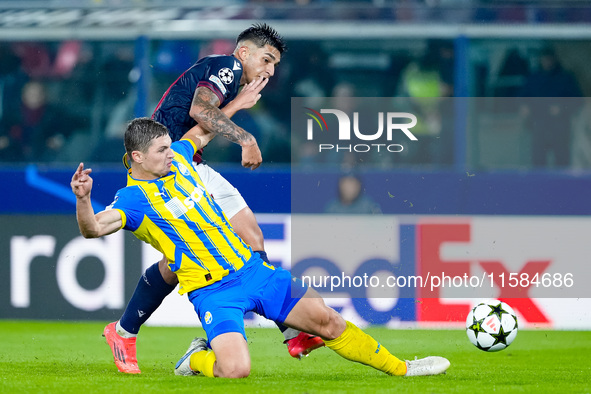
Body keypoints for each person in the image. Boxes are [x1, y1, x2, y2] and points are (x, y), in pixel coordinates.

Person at [71, 117, 451, 378]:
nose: (171, 154)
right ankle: (195, 360)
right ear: (137, 157)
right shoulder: (132, 200)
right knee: (236, 370)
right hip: (214, 292)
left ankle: (403, 368)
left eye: (170, 147)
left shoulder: (182, 160)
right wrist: (84, 200)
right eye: (161, 151)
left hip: (255, 272)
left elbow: (203, 129)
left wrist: (240, 111)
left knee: (329, 322)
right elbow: (92, 230)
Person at [101, 23, 322, 374]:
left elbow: (201, 117)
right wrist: (246, 138)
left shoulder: (231, 78)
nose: (269, 70)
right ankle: (130, 332)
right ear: (244, 52)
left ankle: (290, 330)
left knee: (242, 239)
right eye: (266, 60)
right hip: (170, 172)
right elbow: (201, 112)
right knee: (184, 262)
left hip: (189, 164)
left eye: (275, 65)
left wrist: (236, 104)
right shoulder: (228, 67)